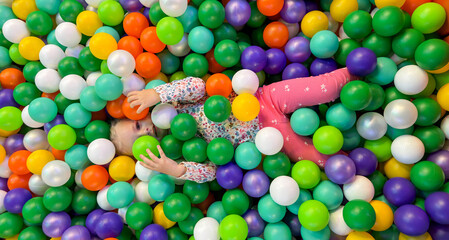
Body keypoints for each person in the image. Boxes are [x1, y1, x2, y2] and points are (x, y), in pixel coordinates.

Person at [110, 68, 359, 183]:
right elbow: (211, 171)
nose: (145, 131)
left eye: (136, 126)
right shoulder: (179, 152)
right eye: (140, 140)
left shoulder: (172, 103)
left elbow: (197, 85)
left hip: (262, 99)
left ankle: (360, 74)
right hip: (268, 137)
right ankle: (358, 167)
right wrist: (175, 170)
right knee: (321, 159)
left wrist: (157, 93)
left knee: (326, 87)